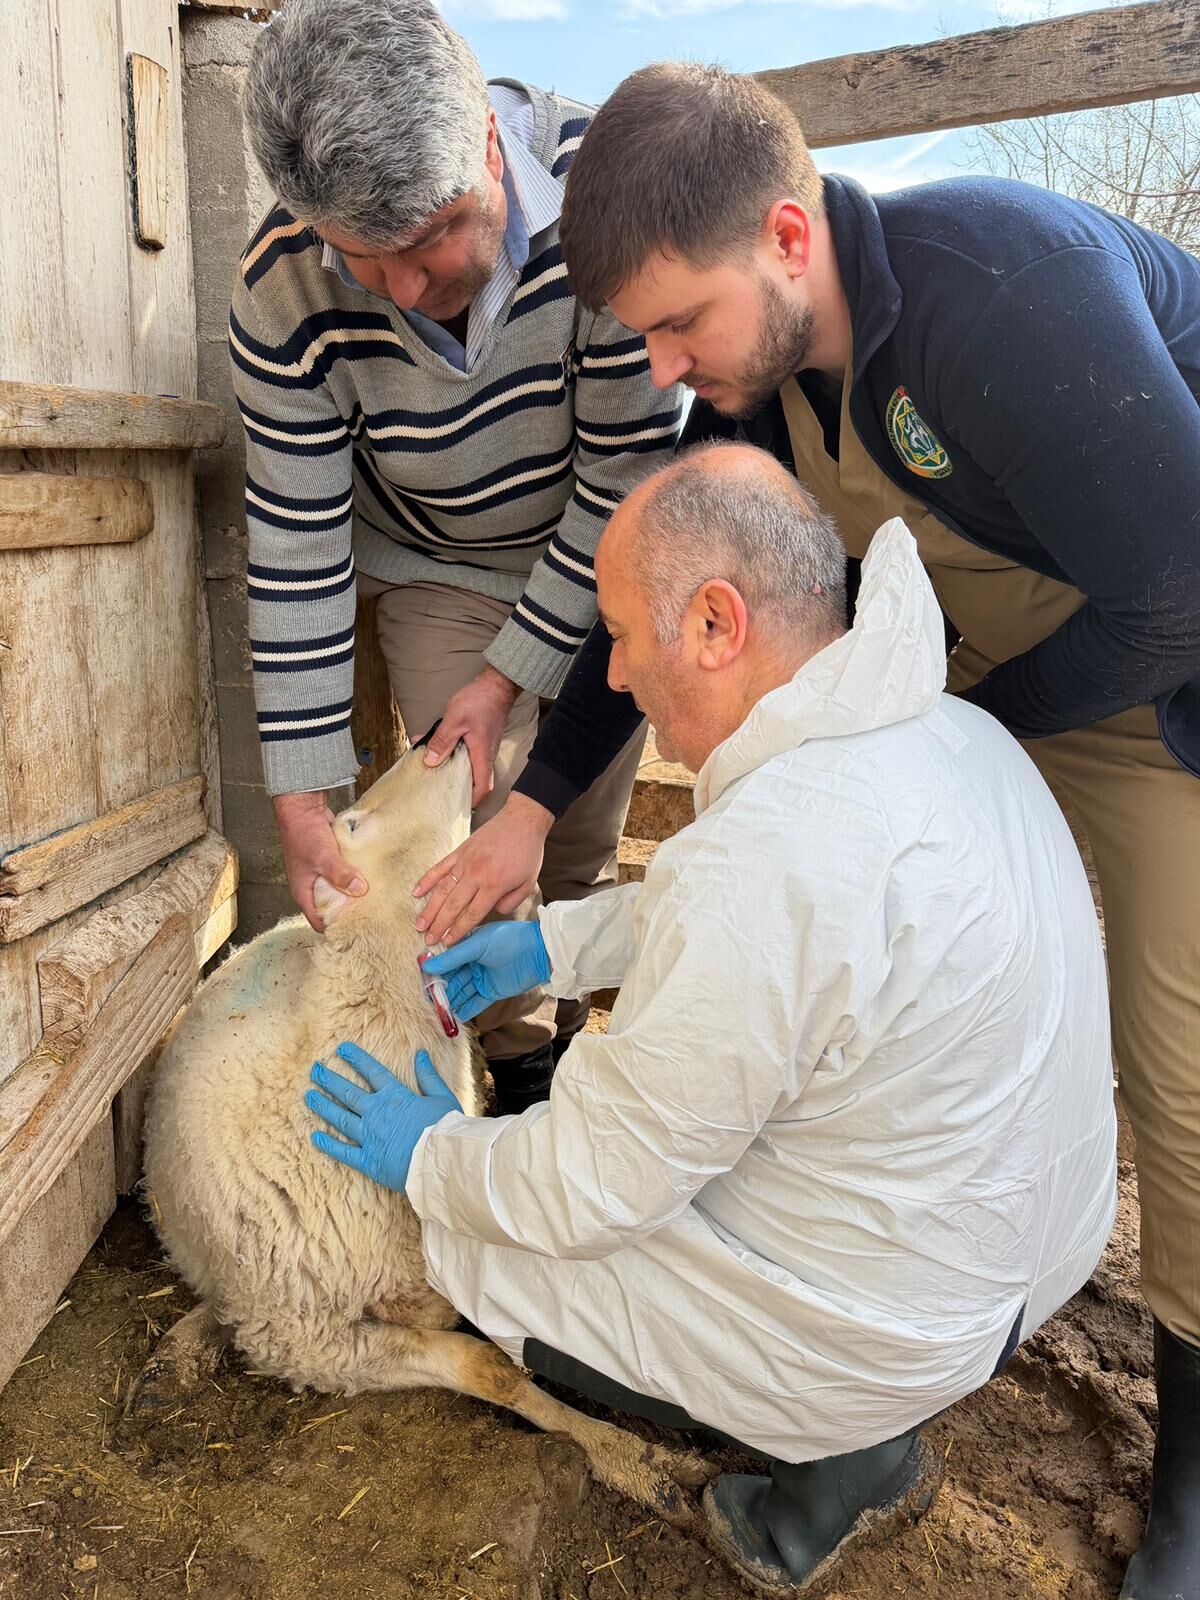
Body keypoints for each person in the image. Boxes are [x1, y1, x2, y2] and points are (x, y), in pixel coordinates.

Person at [410, 65, 1200, 1595]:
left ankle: (1194, 1476)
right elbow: (651, 601)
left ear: (786, 235)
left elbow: (1174, 582)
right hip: (976, 670)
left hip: (1153, 671)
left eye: (676, 327)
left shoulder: (1001, 297)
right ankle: (873, 1330)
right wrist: (529, 809)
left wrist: (964, 729)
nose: (659, 367)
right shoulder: (760, 373)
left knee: (1184, 1061)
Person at [306, 444, 1117, 1593]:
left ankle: (839, 1467)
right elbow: (773, 928)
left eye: (625, 637)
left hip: (893, 1327)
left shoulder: (768, 860)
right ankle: (861, 1407)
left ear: (717, 623)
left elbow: (591, 1185)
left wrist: (432, 1154)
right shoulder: (948, 738)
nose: (620, 679)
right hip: (1031, 1251)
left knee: (480, 1246)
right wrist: (552, 943)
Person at [231, 0, 679, 1112]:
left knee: (572, 822)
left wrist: (516, 673)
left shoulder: (608, 206)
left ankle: (582, 1047)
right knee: (465, 829)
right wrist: (301, 796)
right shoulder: (282, 285)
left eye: (426, 244)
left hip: (604, 539)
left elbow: (627, 472)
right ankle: (521, 1082)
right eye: (358, 260)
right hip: (437, 557)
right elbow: (294, 534)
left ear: (488, 143)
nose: (400, 294)